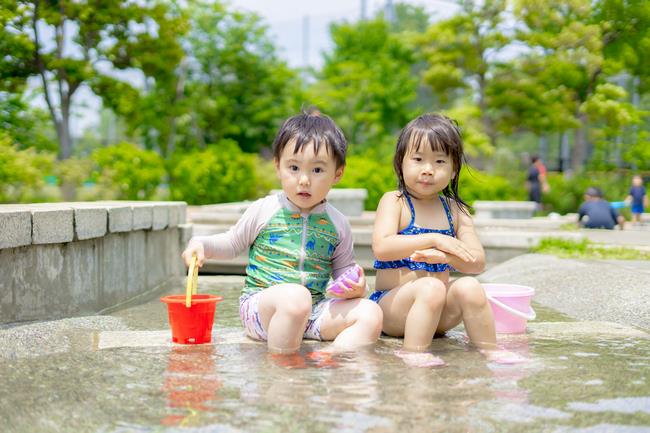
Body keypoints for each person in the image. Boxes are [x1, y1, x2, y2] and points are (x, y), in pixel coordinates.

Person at [181, 110, 383, 360]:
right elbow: (232, 242)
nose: (304, 180)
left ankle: (332, 358)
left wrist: (356, 286)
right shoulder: (265, 209)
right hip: (263, 310)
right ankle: (282, 367)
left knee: (370, 312)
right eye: (294, 168)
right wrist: (200, 243)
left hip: (314, 311)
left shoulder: (338, 223)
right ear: (278, 167)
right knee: (296, 297)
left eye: (318, 170)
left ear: (338, 173)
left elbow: (344, 273)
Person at [371, 113, 523, 367]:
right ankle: (413, 352)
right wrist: (435, 240)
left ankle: (489, 348)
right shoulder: (395, 202)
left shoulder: (456, 211)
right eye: (418, 160)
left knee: (470, 287)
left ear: (453, 170)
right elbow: (382, 248)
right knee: (431, 288)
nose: (428, 170)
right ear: (401, 163)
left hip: (438, 316)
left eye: (439, 161)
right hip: (393, 310)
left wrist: (446, 257)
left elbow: (477, 263)